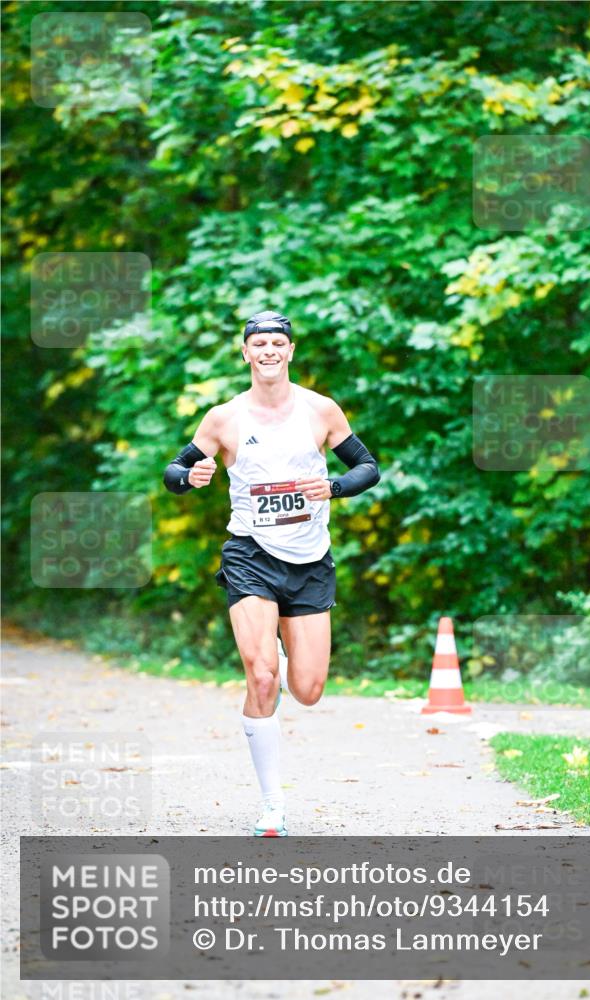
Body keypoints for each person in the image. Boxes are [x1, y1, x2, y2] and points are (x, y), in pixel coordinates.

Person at [163, 310, 380, 836]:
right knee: (261, 677)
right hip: (251, 555)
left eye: (276, 343)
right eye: (258, 343)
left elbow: (367, 467)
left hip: (309, 561)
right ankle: (271, 804)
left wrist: (334, 487)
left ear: (290, 351)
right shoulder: (224, 418)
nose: (267, 351)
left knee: (307, 690)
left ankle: (281, 647)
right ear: (245, 354)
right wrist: (190, 477)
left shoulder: (320, 410)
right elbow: (173, 472)